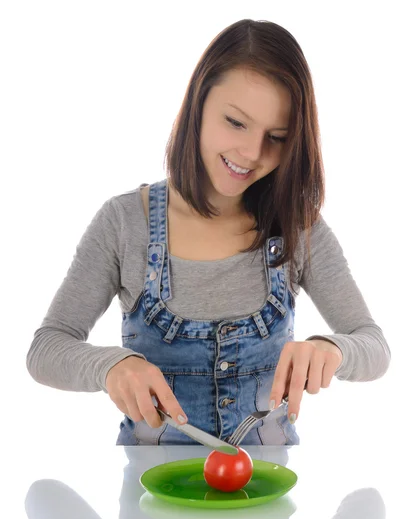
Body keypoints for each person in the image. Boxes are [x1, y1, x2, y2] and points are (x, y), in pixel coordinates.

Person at [26, 19, 391, 447]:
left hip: (265, 494)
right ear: (197, 104)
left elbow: (375, 348)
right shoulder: (124, 222)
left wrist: (332, 348)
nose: (252, 154)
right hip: (148, 499)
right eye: (236, 122)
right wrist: (111, 366)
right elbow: (46, 350)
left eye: (276, 137)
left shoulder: (298, 225)